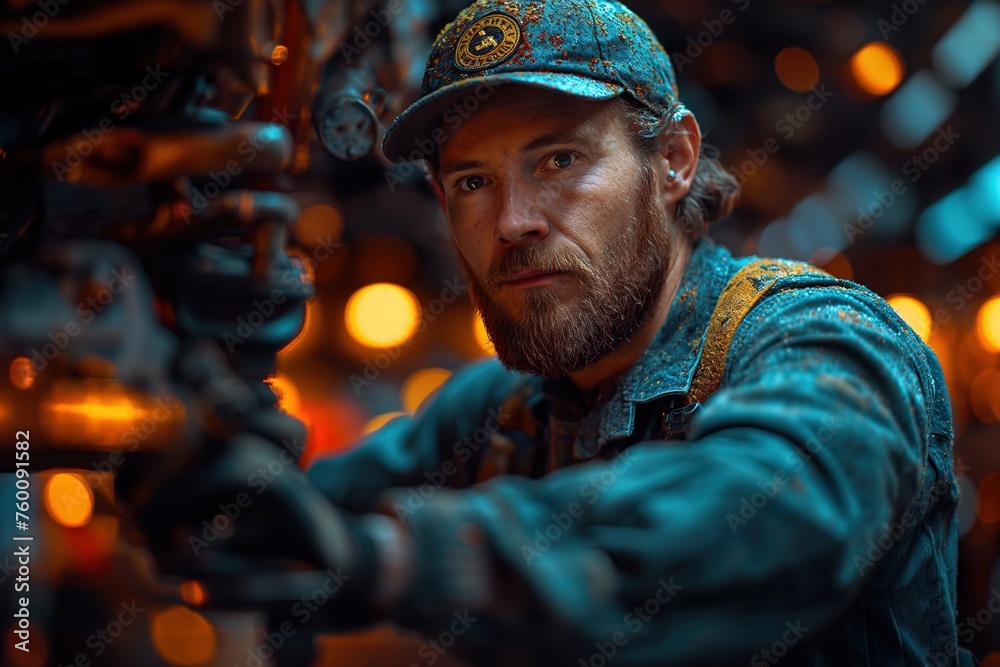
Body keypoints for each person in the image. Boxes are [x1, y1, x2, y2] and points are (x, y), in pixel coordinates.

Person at [139, 0, 963, 664]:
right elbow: (299, 521)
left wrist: (399, 559)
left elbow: (759, 518)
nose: (513, 222)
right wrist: (204, 433)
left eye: (559, 160)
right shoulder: (504, 408)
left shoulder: (829, 341)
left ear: (673, 159)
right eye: (472, 180)